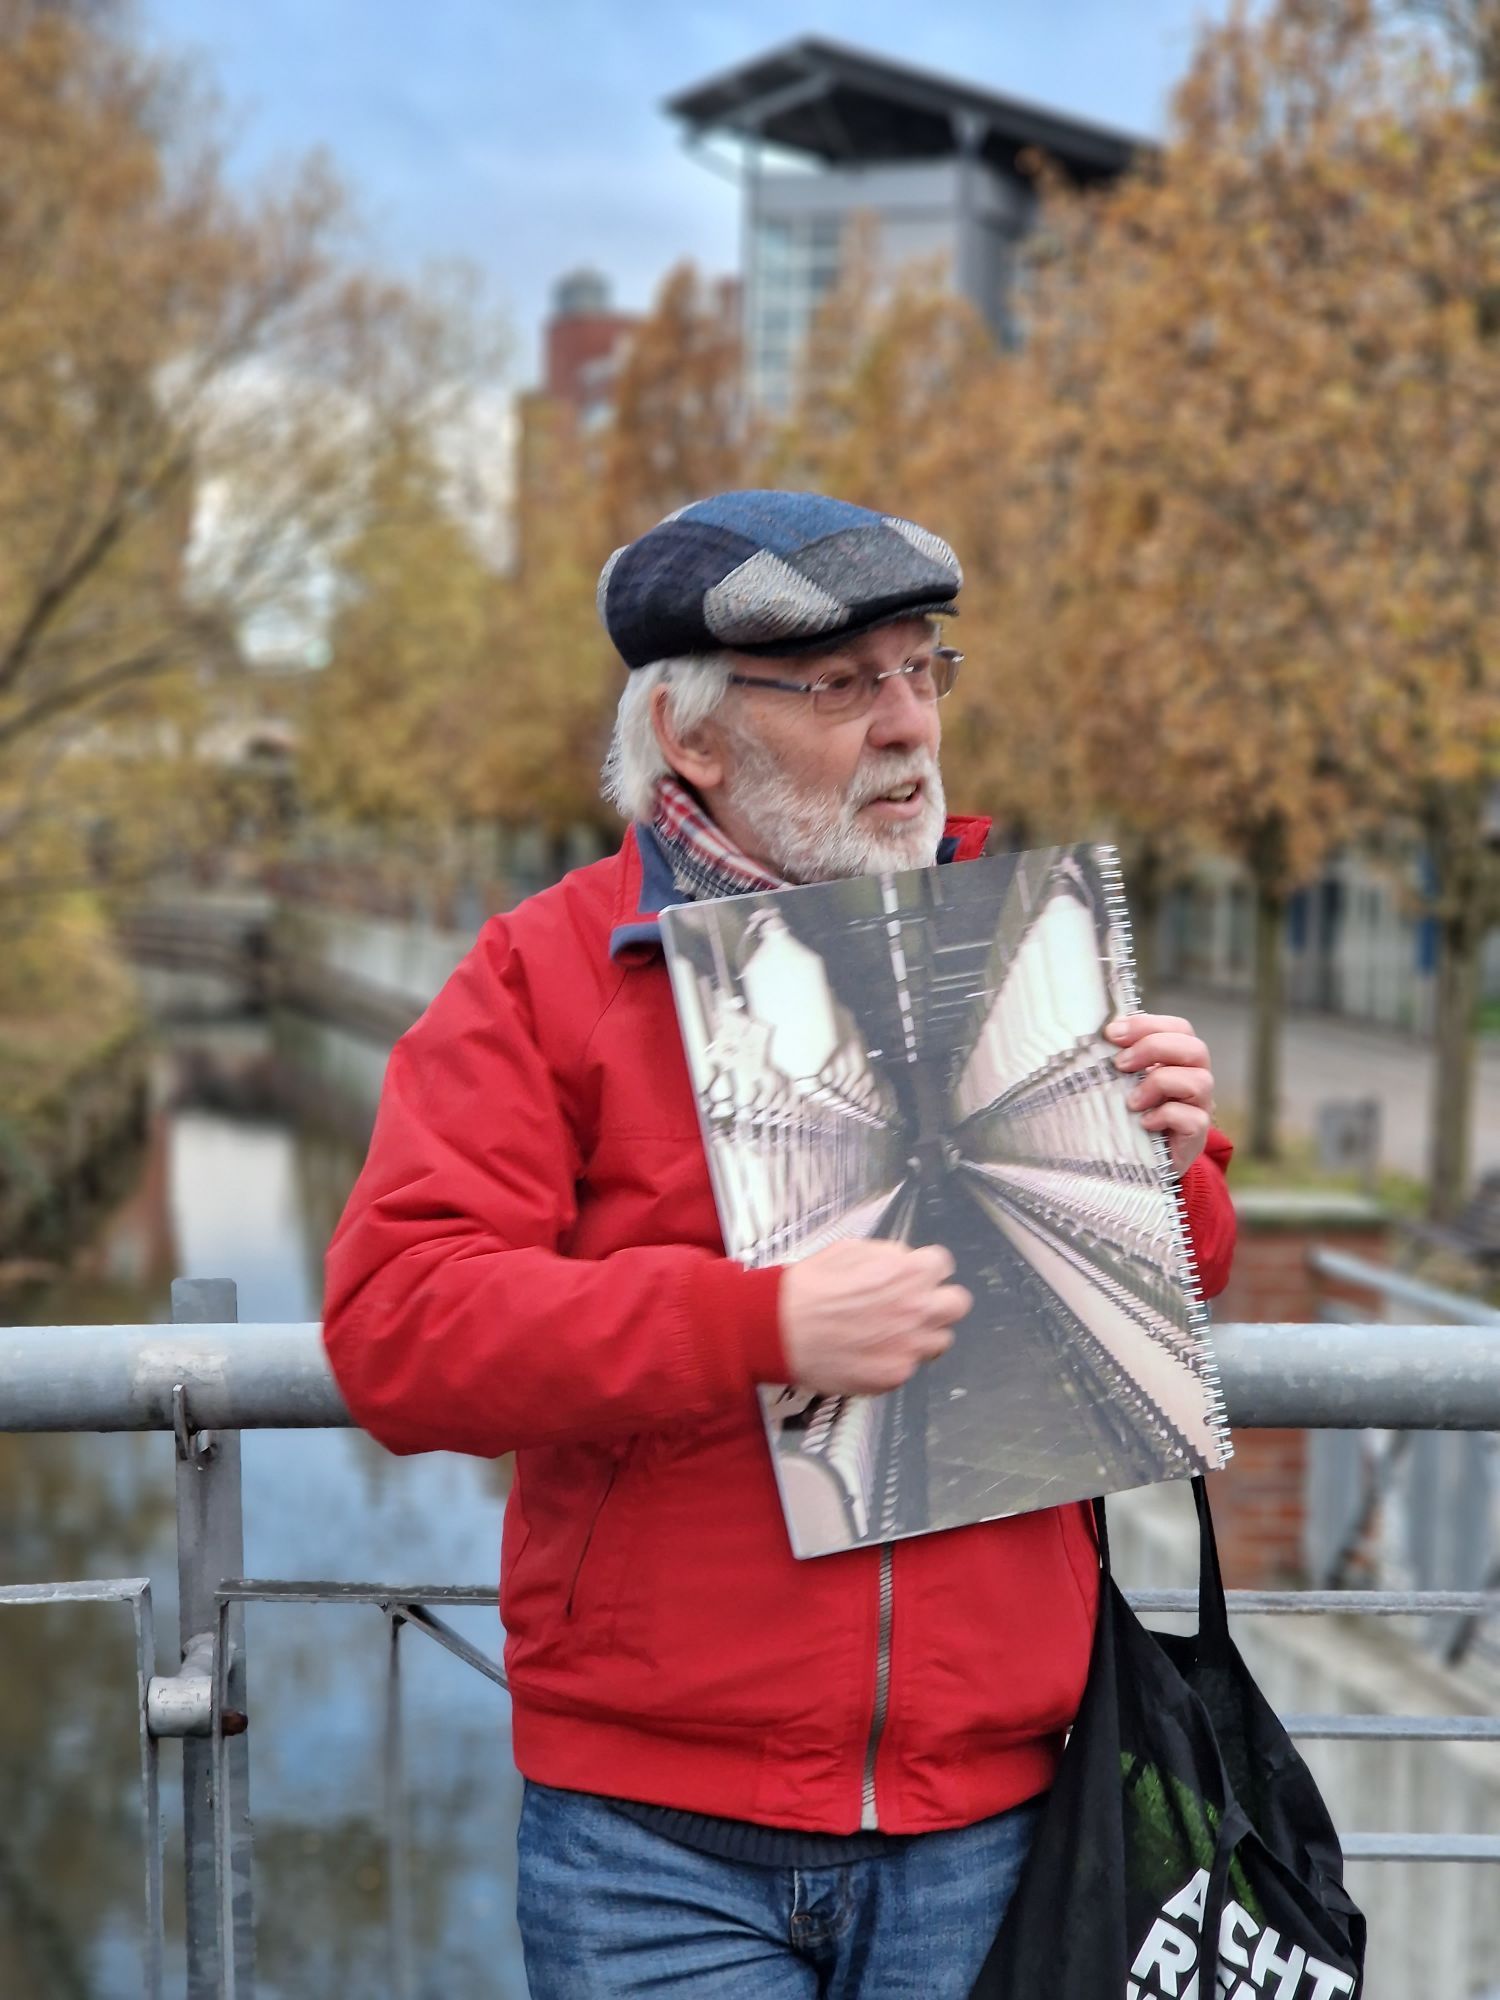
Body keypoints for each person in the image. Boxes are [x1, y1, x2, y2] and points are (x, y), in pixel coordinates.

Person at [323, 489, 1236, 1998]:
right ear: (691, 738)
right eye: (839, 687)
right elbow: (400, 1328)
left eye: (921, 670)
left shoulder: (1017, 948)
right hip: (653, 1847)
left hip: (996, 1814)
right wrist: (756, 1326)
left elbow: (1169, 1296)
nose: (905, 725)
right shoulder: (543, 974)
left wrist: (1176, 1165)